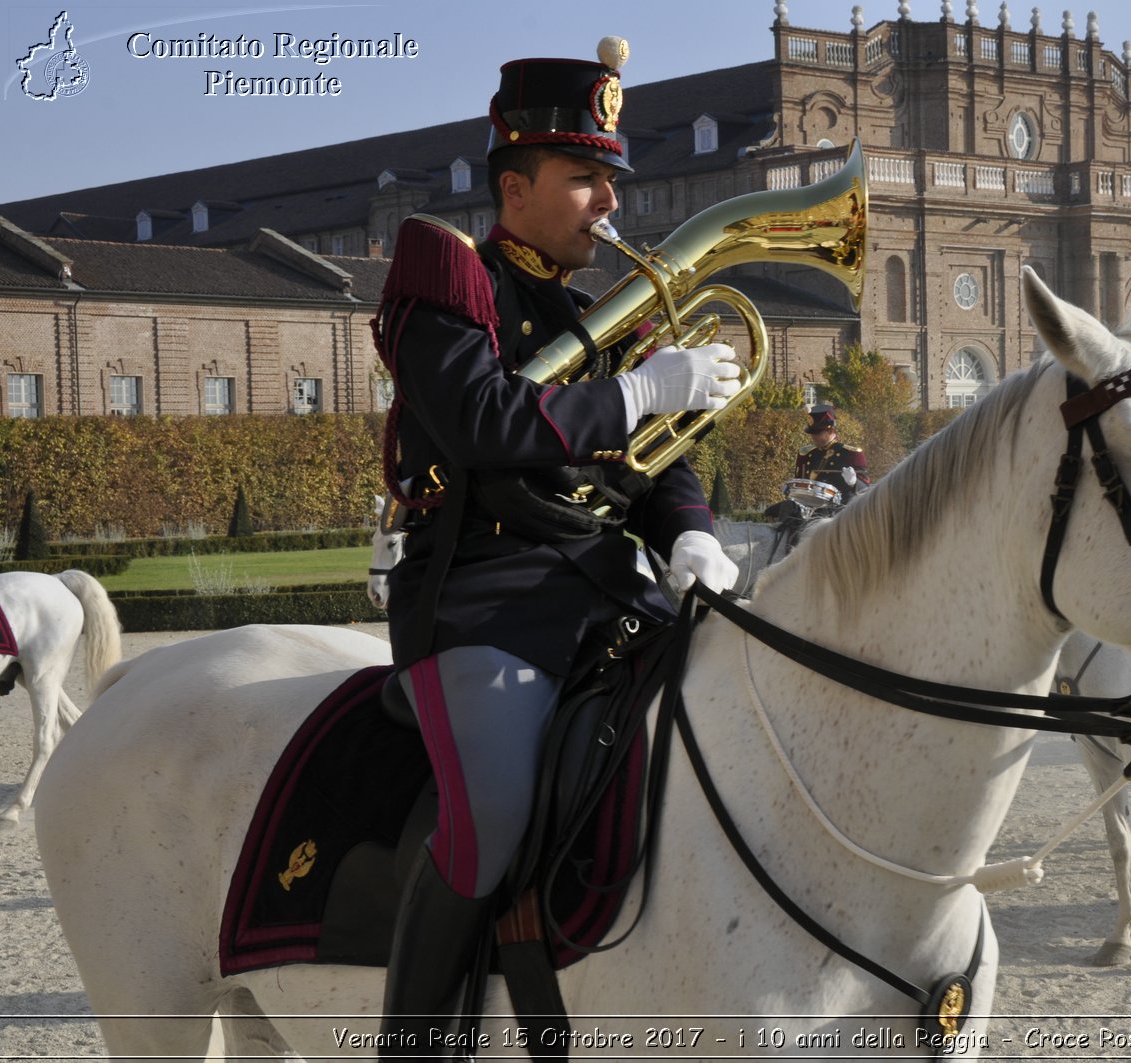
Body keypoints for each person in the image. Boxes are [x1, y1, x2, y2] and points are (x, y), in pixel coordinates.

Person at [371, 39, 739, 1055]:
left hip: (608, 590)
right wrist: (632, 389)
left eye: (610, 179)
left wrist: (696, 539)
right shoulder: (446, 287)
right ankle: (414, 1044)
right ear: (516, 186)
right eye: (584, 179)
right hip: (479, 596)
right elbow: (487, 421)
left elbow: (662, 462)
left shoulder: (599, 315)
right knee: (487, 815)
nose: (607, 203)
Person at [793, 403, 869, 503]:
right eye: (812, 433)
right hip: (807, 504)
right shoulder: (806, 454)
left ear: (831, 431)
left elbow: (865, 488)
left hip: (838, 508)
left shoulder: (851, 454)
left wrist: (854, 482)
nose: (813, 437)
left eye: (818, 433)